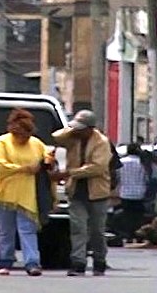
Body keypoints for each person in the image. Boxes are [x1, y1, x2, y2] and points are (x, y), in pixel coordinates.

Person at [0, 108, 55, 277]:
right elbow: (0, 166)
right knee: (6, 230)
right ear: (13, 131)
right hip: (4, 194)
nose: (24, 139)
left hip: (27, 195)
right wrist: (26, 168)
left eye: (27, 135)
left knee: (27, 229)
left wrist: (49, 161)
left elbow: (46, 157)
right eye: (21, 135)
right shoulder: (2, 143)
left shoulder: (35, 143)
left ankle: (32, 263)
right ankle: (5, 262)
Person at [51, 109, 112, 277]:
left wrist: (70, 173)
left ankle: (100, 261)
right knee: (78, 228)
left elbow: (97, 167)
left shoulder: (101, 142)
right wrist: (71, 129)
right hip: (76, 191)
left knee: (97, 230)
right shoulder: (73, 138)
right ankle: (78, 262)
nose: (78, 131)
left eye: (81, 128)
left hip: (97, 192)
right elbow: (56, 137)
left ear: (90, 128)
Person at [115, 143, 149, 242]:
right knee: (138, 216)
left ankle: (128, 235)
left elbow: (117, 177)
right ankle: (138, 235)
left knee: (127, 215)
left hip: (125, 193)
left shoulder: (121, 162)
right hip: (139, 193)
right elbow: (146, 178)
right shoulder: (142, 163)